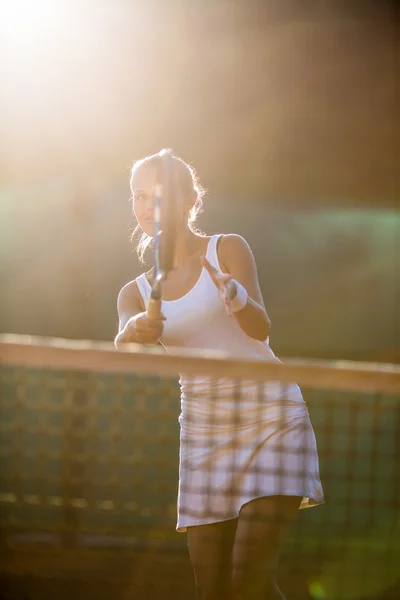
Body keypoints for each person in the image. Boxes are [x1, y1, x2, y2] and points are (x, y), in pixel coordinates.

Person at [115, 150, 324, 600]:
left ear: (190, 200)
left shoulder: (227, 247)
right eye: (138, 196)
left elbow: (261, 328)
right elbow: (123, 342)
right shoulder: (133, 292)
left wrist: (238, 298)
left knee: (248, 581)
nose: (148, 207)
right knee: (212, 591)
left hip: (273, 419)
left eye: (161, 195)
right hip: (204, 434)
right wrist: (136, 329)